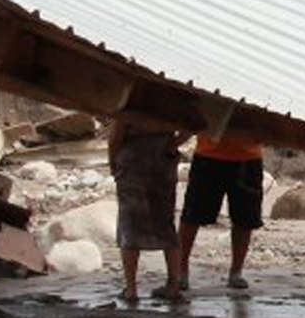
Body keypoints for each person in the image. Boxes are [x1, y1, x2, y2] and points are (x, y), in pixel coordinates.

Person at [106, 114, 187, 304]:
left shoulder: (132, 98)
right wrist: (173, 143)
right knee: (166, 223)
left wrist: (113, 162)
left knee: (130, 224)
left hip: (133, 159)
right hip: (163, 159)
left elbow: (116, 135)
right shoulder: (174, 100)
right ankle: (173, 285)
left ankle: (131, 289)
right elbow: (195, 124)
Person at [179, 131, 267, 292]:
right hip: (208, 155)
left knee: (245, 219)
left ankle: (236, 272)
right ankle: (180, 271)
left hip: (247, 158)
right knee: (192, 215)